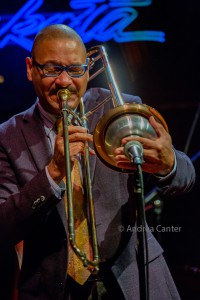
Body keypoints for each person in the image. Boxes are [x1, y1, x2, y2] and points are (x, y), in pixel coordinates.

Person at [0, 24, 195, 300]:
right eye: (53, 69)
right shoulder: (7, 136)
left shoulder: (119, 110)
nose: (65, 82)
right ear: (30, 68)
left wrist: (168, 164)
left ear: (88, 70)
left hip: (135, 281)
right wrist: (53, 173)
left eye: (76, 70)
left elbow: (187, 177)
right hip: (54, 290)